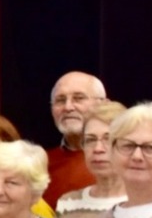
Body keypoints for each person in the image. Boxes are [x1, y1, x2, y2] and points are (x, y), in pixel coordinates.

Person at [45, 71, 106, 207]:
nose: (68, 107)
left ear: (103, 104)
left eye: (78, 98)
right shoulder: (40, 164)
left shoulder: (122, 158)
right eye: (60, 100)